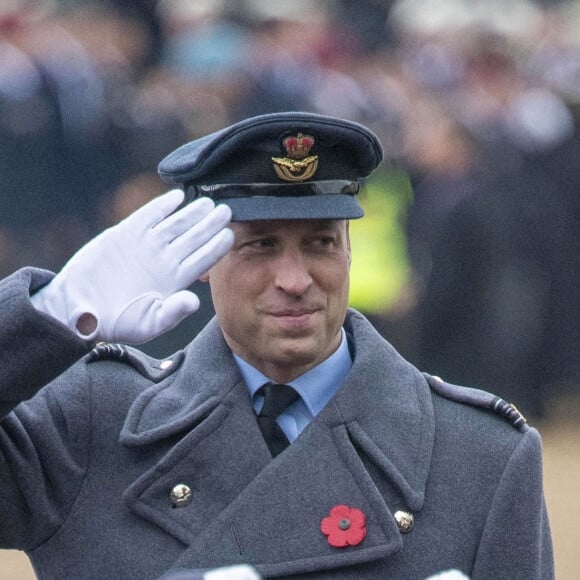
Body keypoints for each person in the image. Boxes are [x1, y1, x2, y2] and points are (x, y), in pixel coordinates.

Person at [0, 112, 552, 579]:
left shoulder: (481, 458)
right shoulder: (89, 424)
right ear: (201, 262)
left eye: (320, 244)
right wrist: (48, 316)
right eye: (261, 245)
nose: (295, 278)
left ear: (349, 250)